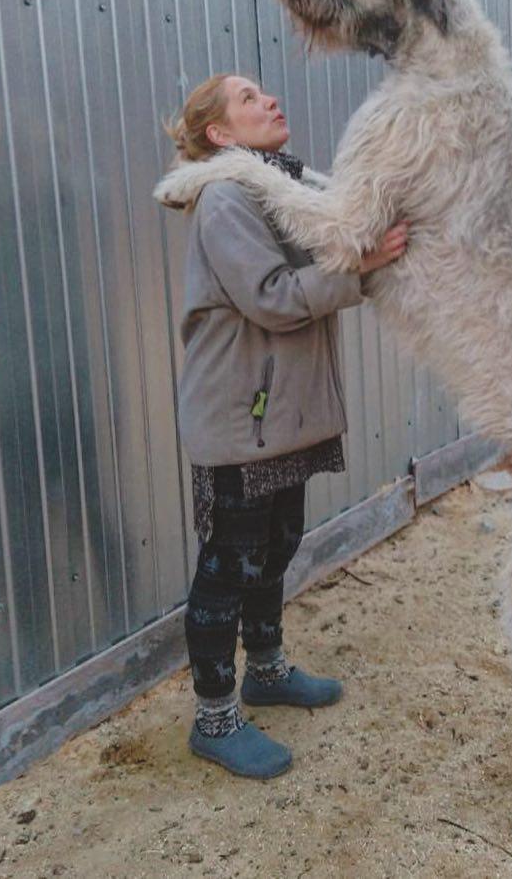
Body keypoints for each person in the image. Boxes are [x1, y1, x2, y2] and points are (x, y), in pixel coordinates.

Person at [157, 73, 407, 780]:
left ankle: (264, 668)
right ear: (220, 134)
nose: (269, 100)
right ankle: (214, 717)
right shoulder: (227, 197)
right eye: (247, 98)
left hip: (281, 414)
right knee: (228, 562)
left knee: (276, 544)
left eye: (264, 91)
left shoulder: (284, 191)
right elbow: (271, 297)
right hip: (239, 415)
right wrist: (362, 263)